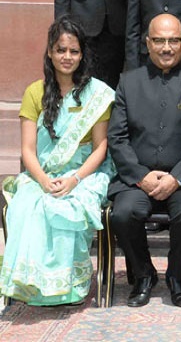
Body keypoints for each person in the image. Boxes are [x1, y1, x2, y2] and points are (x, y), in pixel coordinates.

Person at [0, 17, 115, 306]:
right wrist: (43, 180)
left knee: (66, 207)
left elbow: (101, 147)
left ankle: (68, 288)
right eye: (61, 50)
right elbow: (27, 150)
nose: (67, 57)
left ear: (82, 54)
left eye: (74, 51)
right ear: (50, 52)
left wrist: (75, 179)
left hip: (86, 173)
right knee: (29, 204)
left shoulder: (97, 94)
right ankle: (31, 284)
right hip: (42, 174)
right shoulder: (34, 92)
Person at [107, 14, 181, 308]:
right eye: (159, 40)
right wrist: (141, 176)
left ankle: (177, 275)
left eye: (172, 41)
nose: (166, 47)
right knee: (123, 213)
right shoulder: (128, 83)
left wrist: (177, 178)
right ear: (147, 44)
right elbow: (117, 138)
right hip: (136, 179)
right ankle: (144, 275)